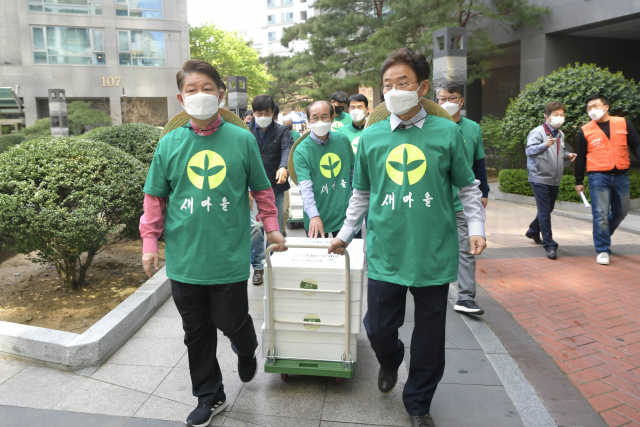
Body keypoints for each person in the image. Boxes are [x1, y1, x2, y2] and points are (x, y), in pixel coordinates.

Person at [328, 48, 486, 427]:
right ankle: (390, 358)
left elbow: (467, 187)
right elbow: (361, 193)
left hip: (433, 250)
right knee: (378, 327)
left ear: (422, 87)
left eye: (403, 83)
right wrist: (346, 234)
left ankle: (418, 403)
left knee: (430, 337)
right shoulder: (371, 137)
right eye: (387, 85)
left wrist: (477, 229)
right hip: (386, 249)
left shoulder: (447, 132)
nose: (394, 90)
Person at [139, 60, 286, 427]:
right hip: (185, 258)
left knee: (231, 320)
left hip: (227, 254)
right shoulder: (170, 142)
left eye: (207, 89)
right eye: (192, 90)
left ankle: (245, 345)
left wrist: (272, 227)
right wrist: (150, 241)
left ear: (220, 95)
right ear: (180, 98)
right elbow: (155, 196)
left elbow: (262, 189)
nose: (200, 95)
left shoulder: (241, 139)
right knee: (196, 331)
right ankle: (210, 394)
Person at [436, 81, 491, 315]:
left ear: (462, 100)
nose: (446, 103)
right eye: (441, 99)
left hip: (462, 202)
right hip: (434, 202)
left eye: (452, 98)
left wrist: (484, 192)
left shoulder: (472, 128)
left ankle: (466, 297)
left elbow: (478, 162)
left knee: (467, 249)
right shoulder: (432, 127)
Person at [574, 94, 640, 265]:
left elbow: (636, 144)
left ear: (606, 107)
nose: (592, 110)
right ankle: (603, 249)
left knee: (622, 211)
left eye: (595, 106)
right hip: (598, 177)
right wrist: (579, 181)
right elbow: (580, 157)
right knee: (600, 214)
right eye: (589, 108)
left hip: (621, 175)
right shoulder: (585, 130)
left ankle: (601, 234)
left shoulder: (623, 123)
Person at [247, 95, 293, 285]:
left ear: (273, 112)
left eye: (267, 113)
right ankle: (258, 266)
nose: (263, 116)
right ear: (253, 113)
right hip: (253, 187)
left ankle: (272, 262)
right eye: (259, 113)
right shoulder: (245, 131)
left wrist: (284, 166)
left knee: (276, 225)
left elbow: (286, 150)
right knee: (257, 227)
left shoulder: (282, 131)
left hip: (276, 185)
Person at [293, 100, 356, 238]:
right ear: (308, 121)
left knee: (349, 256)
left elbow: (353, 173)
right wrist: (314, 216)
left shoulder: (343, 140)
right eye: (315, 117)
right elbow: (305, 187)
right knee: (319, 258)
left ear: (332, 118)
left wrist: (356, 205)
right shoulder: (302, 150)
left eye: (324, 116)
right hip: (316, 215)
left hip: (345, 215)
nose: (320, 121)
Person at [524, 101, 577, 260]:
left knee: (547, 209)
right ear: (547, 117)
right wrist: (544, 145)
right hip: (539, 176)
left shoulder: (560, 134)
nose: (559, 118)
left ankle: (533, 230)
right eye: (556, 115)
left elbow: (559, 151)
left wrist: (568, 155)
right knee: (545, 211)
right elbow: (529, 151)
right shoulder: (538, 132)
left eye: (562, 115)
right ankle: (550, 245)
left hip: (554, 179)